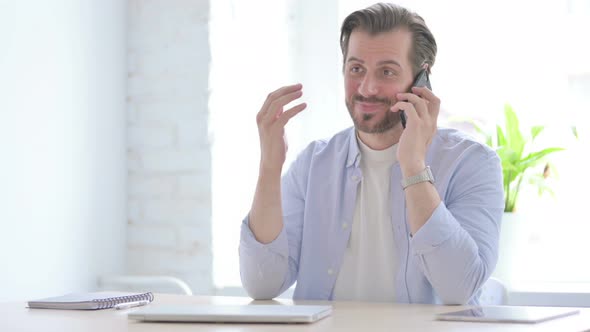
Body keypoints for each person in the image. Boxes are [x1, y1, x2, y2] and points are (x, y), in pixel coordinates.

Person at [239, 2, 504, 305]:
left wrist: (413, 165)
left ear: (421, 80)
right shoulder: (313, 165)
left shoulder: (471, 163)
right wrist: (269, 168)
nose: (367, 87)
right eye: (356, 69)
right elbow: (262, 284)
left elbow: (460, 287)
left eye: (387, 71)